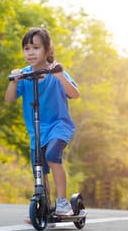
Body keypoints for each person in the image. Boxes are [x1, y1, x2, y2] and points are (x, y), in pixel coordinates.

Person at [5, 27, 80, 215]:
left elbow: (74, 94)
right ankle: (44, 205)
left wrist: (60, 76)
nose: (31, 52)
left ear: (47, 50)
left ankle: (62, 202)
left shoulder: (56, 70)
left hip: (59, 125)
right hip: (37, 131)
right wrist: (14, 81)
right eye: (27, 48)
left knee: (52, 156)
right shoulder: (24, 75)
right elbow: (9, 99)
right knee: (39, 168)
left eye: (36, 48)